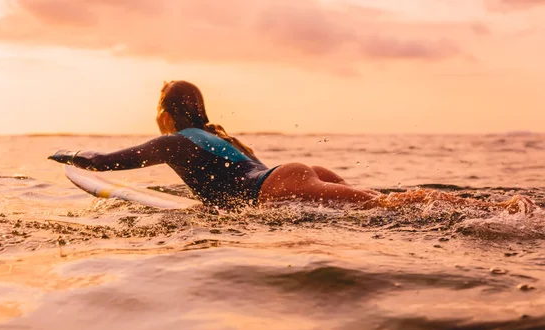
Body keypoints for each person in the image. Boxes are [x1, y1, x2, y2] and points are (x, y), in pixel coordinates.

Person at [48, 80, 535, 214]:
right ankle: (484, 204)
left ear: (168, 113)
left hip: (278, 189)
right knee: (380, 206)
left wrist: (72, 157)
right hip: (292, 173)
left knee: (389, 206)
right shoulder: (218, 137)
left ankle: (498, 207)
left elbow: (109, 164)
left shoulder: (174, 142)